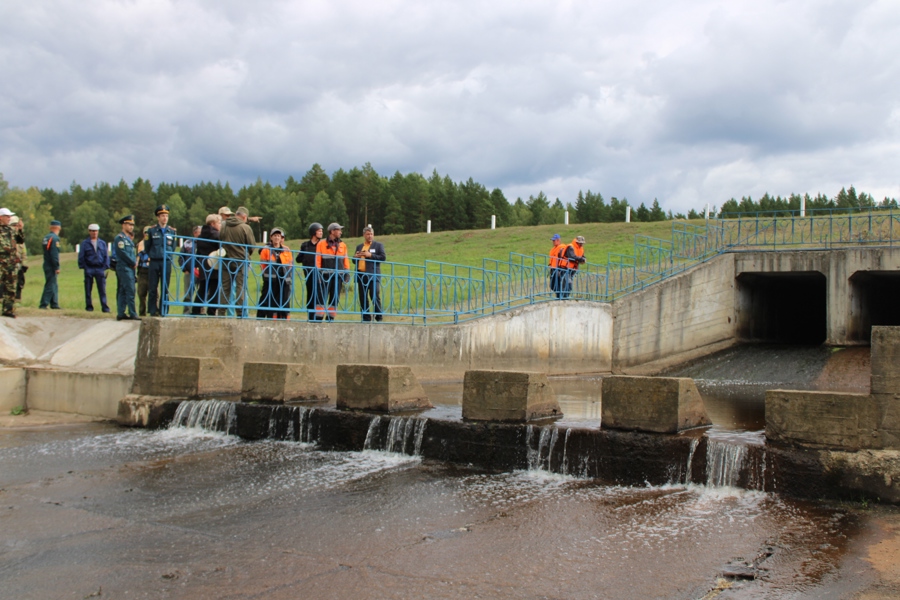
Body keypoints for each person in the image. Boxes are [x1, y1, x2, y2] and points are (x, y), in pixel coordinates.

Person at [219, 206, 256, 318]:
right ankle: (241, 313)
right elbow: (252, 246)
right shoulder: (245, 228)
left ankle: (221, 313)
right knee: (240, 287)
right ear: (244, 217)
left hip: (226, 260)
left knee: (225, 287)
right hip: (241, 261)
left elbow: (220, 239)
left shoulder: (224, 225)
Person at [144, 205, 176, 316]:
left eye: (166, 216)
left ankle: (164, 310)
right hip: (154, 261)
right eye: (162, 216)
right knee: (153, 287)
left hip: (166, 262)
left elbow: (173, 247)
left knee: (165, 288)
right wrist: (152, 255)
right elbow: (147, 246)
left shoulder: (171, 232)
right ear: (158, 217)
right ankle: (153, 310)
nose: (165, 218)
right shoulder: (151, 231)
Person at [315, 223, 350, 321]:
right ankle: (318, 318)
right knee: (321, 297)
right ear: (332, 231)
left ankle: (330, 318)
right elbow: (317, 260)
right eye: (339, 230)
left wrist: (346, 273)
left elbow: (345, 260)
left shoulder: (343, 245)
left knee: (335, 298)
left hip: (338, 276)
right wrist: (318, 273)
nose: (341, 232)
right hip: (324, 275)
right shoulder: (321, 243)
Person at [257, 227, 293, 319]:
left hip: (284, 278)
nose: (277, 238)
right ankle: (262, 317)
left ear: (281, 238)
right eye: (275, 236)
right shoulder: (266, 249)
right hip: (270, 279)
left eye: (278, 236)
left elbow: (290, 264)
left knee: (283, 299)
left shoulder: (286, 249)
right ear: (271, 237)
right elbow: (263, 264)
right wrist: (267, 275)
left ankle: (283, 318)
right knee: (266, 298)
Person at [354, 226, 386, 322]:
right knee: (363, 297)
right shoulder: (359, 246)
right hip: (361, 275)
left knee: (374, 294)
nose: (370, 236)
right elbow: (354, 261)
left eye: (371, 234)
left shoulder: (378, 245)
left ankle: (379, 316)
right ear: (364, 235)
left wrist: (370, 255)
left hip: (373, 275)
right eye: (368, 234)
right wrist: (355, 257)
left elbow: (383, 257)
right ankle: (366, 317)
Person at [77, 223, 110, 312]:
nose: (94, 233)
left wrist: (105, 266)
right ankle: (89, 307)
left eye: (95, 231)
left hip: (100, 268)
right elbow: (81, 256)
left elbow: (106, 256)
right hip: (89, 268)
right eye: (92, 231)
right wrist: (84, 267)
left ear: (98, 232)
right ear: (89, 232)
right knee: (88, 289)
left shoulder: (102, 243)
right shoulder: (84, 243)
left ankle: (105, 307)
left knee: (102, 290)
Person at [193, 214, 221, 316]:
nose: (220, 225)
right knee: (214, 289)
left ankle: (196, 310)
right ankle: (212, 311)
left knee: (203, 288)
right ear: (213, 224)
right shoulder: (217, 235)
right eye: (219, 223)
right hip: (214, 264)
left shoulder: (200, 236)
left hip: (203, 264)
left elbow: (198, 252)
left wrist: (196, 264)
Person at [0, 207, 25, 318]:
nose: (9, 218)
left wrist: (20, 229)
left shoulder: (10, 230)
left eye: (10, 216)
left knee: (10, 287)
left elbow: (20, 240)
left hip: (10, 262)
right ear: (1, 217)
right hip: (1, 261)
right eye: (7, 216)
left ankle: (8, 309)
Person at [114, 215, 140, 321]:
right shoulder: (120, 239)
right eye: (129, 224)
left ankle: (121, 312)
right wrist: (133, 262)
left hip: (129, 268)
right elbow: (122, 253)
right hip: (124, 267)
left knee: (123, 290)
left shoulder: (128, 239)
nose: (131, 227)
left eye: (132, 225)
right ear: (123, 225)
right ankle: (132, 313)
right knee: (130, 290)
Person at [297, 222, 323, 321]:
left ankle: (318, 318)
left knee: (319, 296)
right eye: (319, 231)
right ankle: (311, 317)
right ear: (313, 232)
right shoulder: (305, 245)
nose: (321, 233)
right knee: (311, 295)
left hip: (320, 275)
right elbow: (298, 259)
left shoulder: (322, 245)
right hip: (309, 274)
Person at [39, 220, 62, 309]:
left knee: (53, 283)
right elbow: (54, 254)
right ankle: (43, 304)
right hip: (51, 264)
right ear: (58, 228)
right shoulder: (55, 238)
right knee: (50, 284)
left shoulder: (46, 237)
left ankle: (54, 303)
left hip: (46, 262)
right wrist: (56, 266)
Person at [179, 225, 202, 314]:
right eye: (200, 232)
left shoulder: (204, 243)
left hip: (201, 271)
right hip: (189, 272)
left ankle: (200, 311)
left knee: (202, 293)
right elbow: (181, 257)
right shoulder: (187, 243)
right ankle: (187, 312)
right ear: (195, 233)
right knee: (188, 293)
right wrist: (184, 269)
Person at [9, 216, 27, 301]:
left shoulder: (19, 238)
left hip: (18, 264)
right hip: (7, 264)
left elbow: (23, 253)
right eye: (13, 225)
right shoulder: (7, 236)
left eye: (17, 225)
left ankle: (17, 299)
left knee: (20, 282)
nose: (15, 227)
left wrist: (24, 264)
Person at [548, 233, 568, 299]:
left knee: (558, 284)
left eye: (554, 240)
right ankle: (559, 296)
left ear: (558, 240)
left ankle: (560, 297)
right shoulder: (553, 249)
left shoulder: (562, 248)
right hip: (553, 269)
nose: (553, 242)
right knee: (552, 285)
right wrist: (550, 266)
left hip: (559, 269)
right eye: (552, 240)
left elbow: (562, 259)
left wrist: (560, 269)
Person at [136, 232, 150, 316]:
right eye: (145, 233)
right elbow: (138, 256)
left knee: (154, 293)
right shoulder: (141, 244)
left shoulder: (154, 243)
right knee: (141, 293)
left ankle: (153, 311)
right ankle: (142, 312)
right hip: (142, 270)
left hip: (151, 270)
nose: (147, 235)